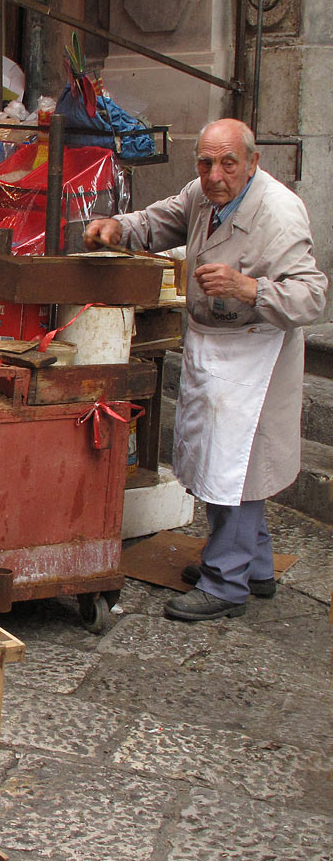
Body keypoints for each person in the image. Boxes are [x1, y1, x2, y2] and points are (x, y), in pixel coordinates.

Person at [85, 118, 327, 622]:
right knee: (223, 463)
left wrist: (250, 288)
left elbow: (311, 296)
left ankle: (226, 582)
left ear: (253, 162)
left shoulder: (280, 213)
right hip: (212, 344)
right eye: (205, 161)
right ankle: (254, 564)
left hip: (255, 352)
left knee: (234, 466)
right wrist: (119, 228)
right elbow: (159, 222)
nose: (214, 174)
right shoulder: (202, 194)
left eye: (227, 163)